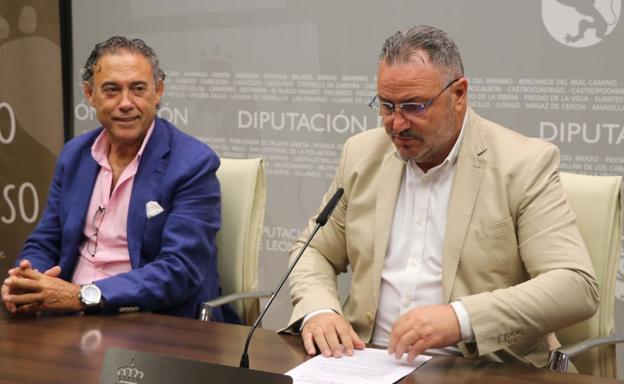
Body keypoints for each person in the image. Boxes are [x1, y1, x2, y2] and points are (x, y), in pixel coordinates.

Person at [285, 25, 598, 367]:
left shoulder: (521, 164)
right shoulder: (361, 155)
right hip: (365, 362)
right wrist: (320, 309)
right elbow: (313, 249)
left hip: (481, 368)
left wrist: (460, 319)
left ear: (459, 94)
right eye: (387, 106)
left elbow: (575, 285)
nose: (397, 124)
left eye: (414, 106)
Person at [1, 36, 236, 321]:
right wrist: (29, 282)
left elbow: (179, 270)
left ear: (157, 91)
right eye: (111, 90)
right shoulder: (74, 155)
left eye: (138, 89)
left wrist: (80, 296)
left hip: (149, 320)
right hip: (65, 317)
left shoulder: (192, 164)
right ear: (90, 94)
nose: (126, 103)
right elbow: (46, 239)